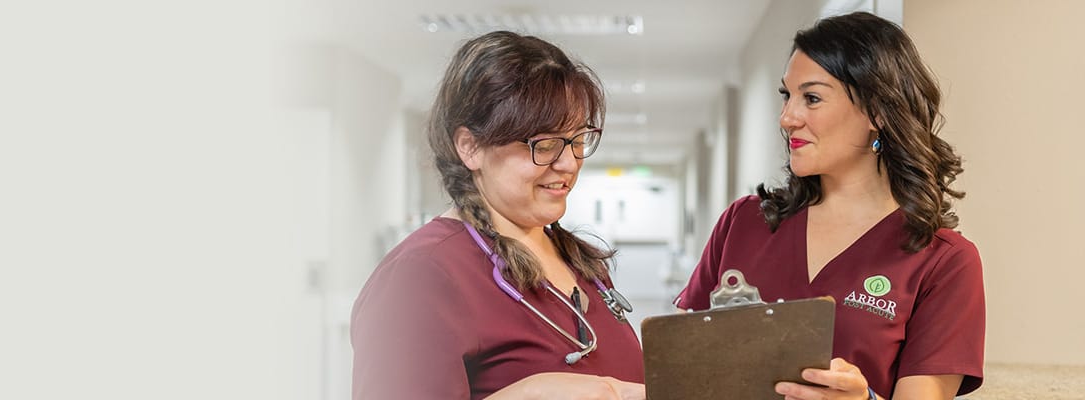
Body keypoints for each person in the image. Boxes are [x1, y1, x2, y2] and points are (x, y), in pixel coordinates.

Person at [674, 12, 983, 400]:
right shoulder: (743, 223)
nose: (787, 118)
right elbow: (679, 368)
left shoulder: (943, 262)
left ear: (877, 111)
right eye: (787, 96)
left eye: (812, 98)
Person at [350, 31, 644, 400]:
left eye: (577, 140)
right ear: (470, 148)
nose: (569, 163)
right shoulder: (421, 275)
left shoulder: (580, 265)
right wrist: (530, 394)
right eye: (544, 144)